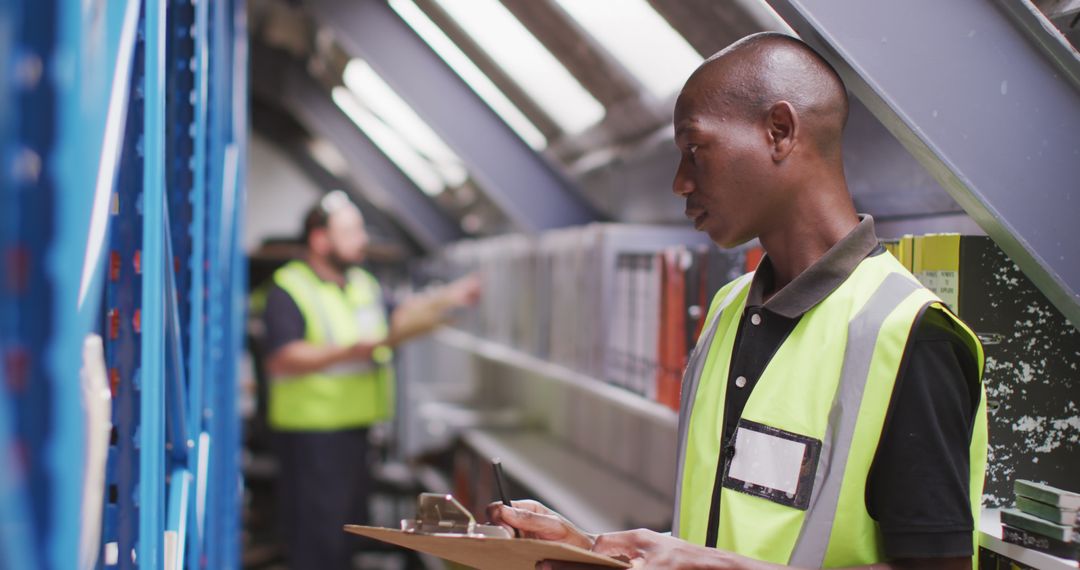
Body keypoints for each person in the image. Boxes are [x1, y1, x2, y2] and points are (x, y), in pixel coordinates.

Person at [489, 33, 986, 570]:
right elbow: (724, 532)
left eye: (695, 150)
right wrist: (590, 549)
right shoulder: (726, 311)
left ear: (779, 131)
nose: (680, 182)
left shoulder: (910, 335)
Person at [261, 190, 480, 570]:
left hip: (355, 431)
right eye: (350, 232)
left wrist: (450, 297)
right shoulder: (289, 287)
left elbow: (398, 316)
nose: (362, 240)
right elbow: (282, 359)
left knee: (343, 536)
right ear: (320, 239)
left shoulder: (362, 283)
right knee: (316, 541)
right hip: (312, 436)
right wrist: (354, 350)